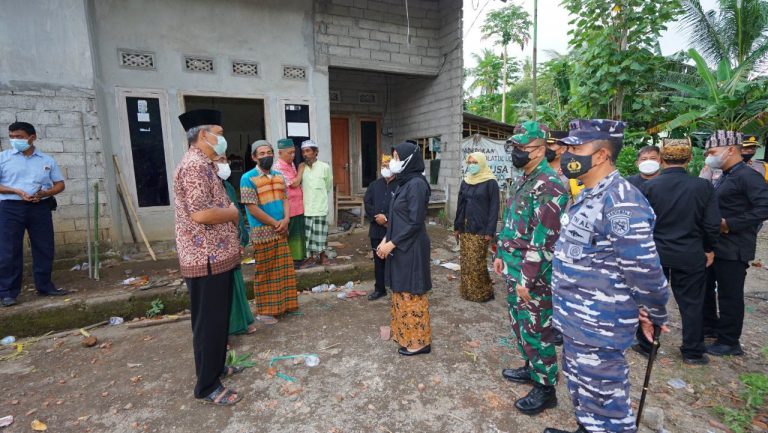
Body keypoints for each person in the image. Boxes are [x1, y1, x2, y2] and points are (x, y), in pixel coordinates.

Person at [544, 119, 670, 433]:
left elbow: (643, 268)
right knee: (582, 391)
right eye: (568, 147)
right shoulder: (589, 194)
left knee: (606, 406)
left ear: (601, 155)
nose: (567, 153)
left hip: (600, 326)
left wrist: (653, 311)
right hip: (577, 321)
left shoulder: (621, 200)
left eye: (576, 148)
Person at [494, 121, 568, 415]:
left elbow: (543, 240)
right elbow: (511, 222)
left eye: (523, 147)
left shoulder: (550, 185)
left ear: (541, 149)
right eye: (515, 147)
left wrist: (527, 278)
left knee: (538, 328)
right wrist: (500, 252)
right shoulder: (525, 178)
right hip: (513, 268)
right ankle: (531, 366)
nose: (518, 152)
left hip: (532, 274)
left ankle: (545, 388)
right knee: (519, 323)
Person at [174, 109, 242, 406]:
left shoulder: (205, 163)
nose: (222, 138)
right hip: (206, 259)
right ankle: (207, 386)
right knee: (208, 324)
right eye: (219, 132)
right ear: (203, 134)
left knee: (217, 321)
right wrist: (233, 213)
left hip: (216, 256)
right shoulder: (194, 166)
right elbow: (201, 213)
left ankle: (216, 368)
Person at [632, 142, 720, 365]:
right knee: (692, 304)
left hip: (655, 254)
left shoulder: (650, 187)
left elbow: (640, 223)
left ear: (662, 160)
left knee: (650, 299)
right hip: (690, 253)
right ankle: (692, 351)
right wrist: (709, 249)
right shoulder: (702, 187)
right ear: (689, 160)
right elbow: (711, 224)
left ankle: (646, 345)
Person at [701, 130, 768, 356]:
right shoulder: (727, 175)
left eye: (713, 152)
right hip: (717, 245)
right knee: (707, 288)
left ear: (730, 150)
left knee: (729, 295)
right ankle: (710, 328)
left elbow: (763, 208)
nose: (709, 157)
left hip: (734, 246)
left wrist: (729, 223)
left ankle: (730, 341)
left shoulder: (749, 177)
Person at [0, 122, 68, 307]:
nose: (15, 140)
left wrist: (45, 193)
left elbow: (60, 184)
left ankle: (45, 286)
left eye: (19, 137)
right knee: (9, 250)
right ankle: (8, 292)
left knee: (44, 247)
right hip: (10, 208)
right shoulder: (3, 158)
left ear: (32, 138)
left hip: (40, 207)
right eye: (12, 136)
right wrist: (16, 191)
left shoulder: (46, 160)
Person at [377, 142, 432, 356]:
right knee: (401, 290)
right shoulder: (403, 182)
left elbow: (414, 222)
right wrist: (385, 238)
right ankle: (405, 335)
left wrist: (393, 242)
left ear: (410, 159)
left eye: (398, 157)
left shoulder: (417, 184)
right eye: (394, 156)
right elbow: (397, 218)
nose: (393, 161)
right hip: (400, 244)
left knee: (412, 291)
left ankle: (419, 342)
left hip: (412, 246)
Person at [241, 140, 299, 324]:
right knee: (266, 272)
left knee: (284, 270)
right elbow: (252, 208)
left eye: (269, 152)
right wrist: (276, 223)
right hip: (263, 233)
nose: (266, 156)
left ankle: (285, 306)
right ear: (254, 157)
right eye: (262, 153)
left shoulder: (279, 176)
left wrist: (287, 219)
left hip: (281, 229)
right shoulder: (247, 178)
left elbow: (285, 200)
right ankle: (265, 311)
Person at [212, 155, 256, 337]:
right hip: (216, 247)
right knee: (220, 291)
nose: (225, 164)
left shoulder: (227, 186)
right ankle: (223, 331)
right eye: (219, 159)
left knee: (236, 284)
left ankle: (241, 323)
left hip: (232, 242)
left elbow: (236, 212)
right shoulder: (207, 187)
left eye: (225, 159)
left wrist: (241, 237)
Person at [455, 152, 499, 302]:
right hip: (466, 228)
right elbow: (460, 205)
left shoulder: (490, 182)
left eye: (475, 162)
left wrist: (490, 231)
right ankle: (467, 292)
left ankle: (482, 293)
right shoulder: (466, 181)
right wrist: (457, 226)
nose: (472, 165)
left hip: (481, 229)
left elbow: (494, 208)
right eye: (470, 162)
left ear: (482, 163)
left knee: (477, 263)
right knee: (466, 262)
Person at [364, 154, 396, 301]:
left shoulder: (401, 185)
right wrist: (378, 219)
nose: (385, 169)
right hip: (376, 229)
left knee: (396, 260)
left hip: (394, 229)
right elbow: (367, 203)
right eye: (383, 166)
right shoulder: (374, 185)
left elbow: (401, 207)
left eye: (388, 166)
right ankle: (380, 289)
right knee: (378, 260)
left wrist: (387, 219)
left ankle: (397, 288)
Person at [274, 138, 306, 266]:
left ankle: (299, 258)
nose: (293, 156)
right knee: (292, 235)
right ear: (280, 153)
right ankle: (292, 261)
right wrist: (301, 170)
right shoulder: (278, 167)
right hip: (289, 208)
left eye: (294, 152)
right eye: (289, 153)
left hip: (298, 206)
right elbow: (294, 183)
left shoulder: (290, 164)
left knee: (299, 234)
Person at [300, 140, 333, 267]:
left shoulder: (325, 167)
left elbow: (328, 186)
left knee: (321, 235)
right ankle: (310, 257)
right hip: (306, 207)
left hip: (320, 207)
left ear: (316, 152)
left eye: (308, 151)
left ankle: (322, 256)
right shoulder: (302, 168)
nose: (305, 154)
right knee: (308, 236)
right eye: (303, 151)